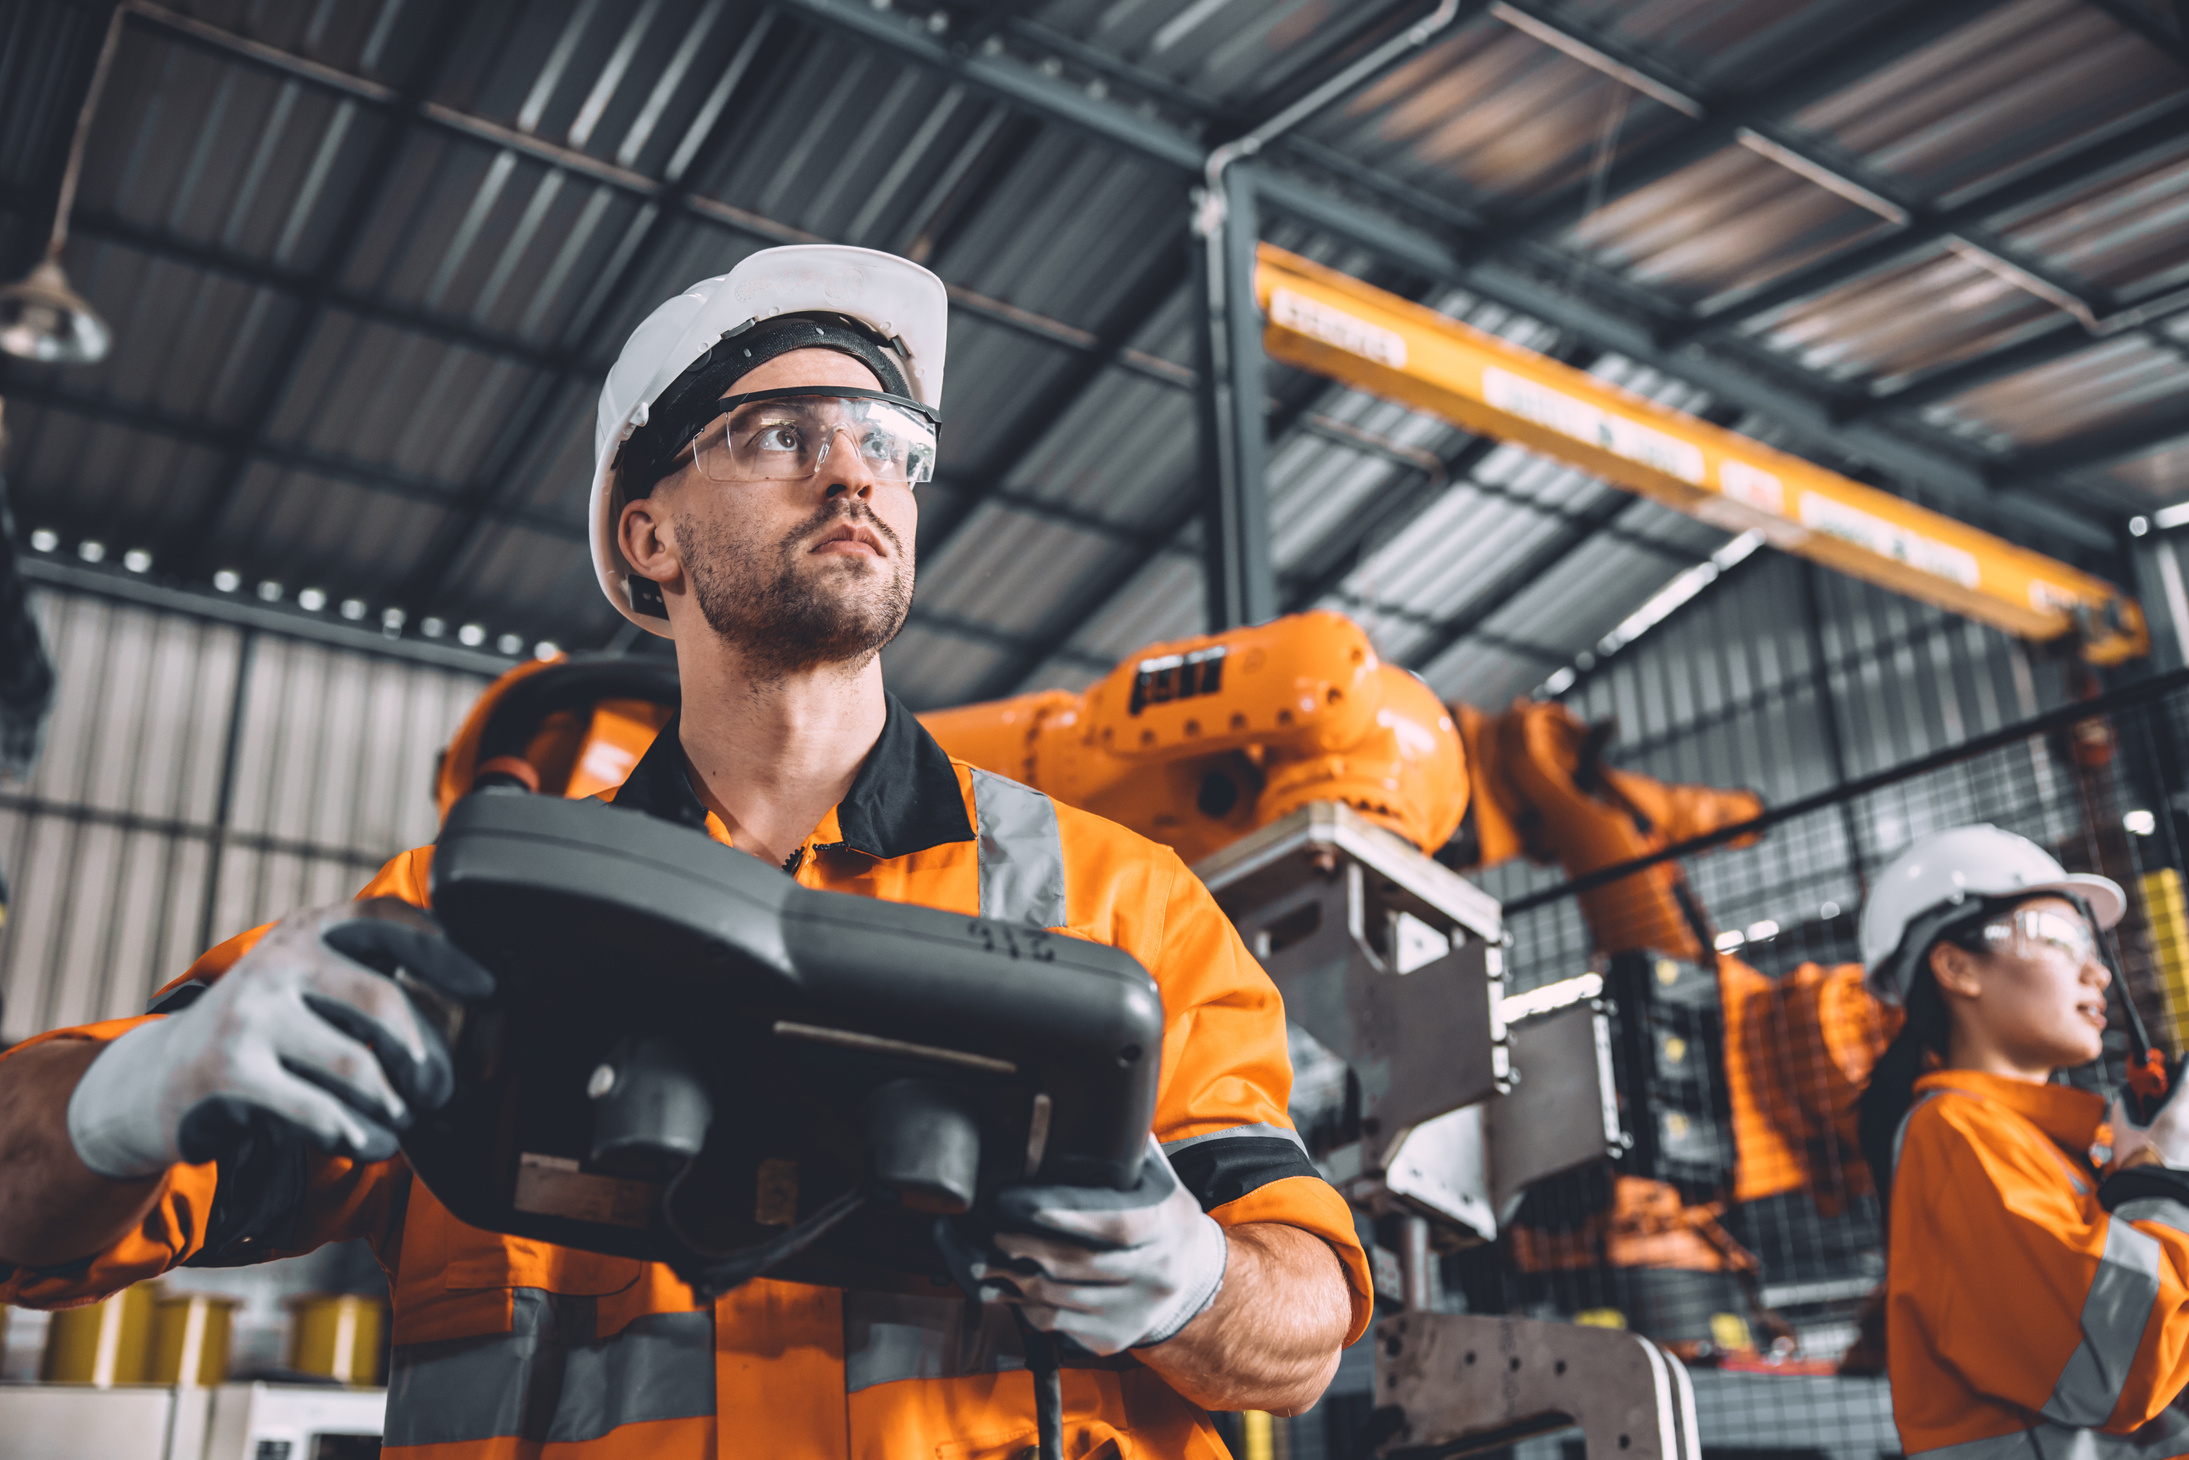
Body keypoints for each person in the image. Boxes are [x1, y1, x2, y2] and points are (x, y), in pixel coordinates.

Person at [0, 245, 1370, 1458]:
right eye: (779, 433)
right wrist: (142, 1089)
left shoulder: (1125, 905)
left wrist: (1195, 1283)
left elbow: (1302, 1331)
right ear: (646, 533)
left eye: (889, 442)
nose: (854, 469)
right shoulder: (464, 926)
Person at [1856, 824, 2189, 1460]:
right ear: (1957, 967)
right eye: (2060, 939)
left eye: (2091, 946)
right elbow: (2116, 1371)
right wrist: (2161, 1179)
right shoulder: (1953, 1135)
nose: (2097, 972)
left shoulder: (2058, 1150)